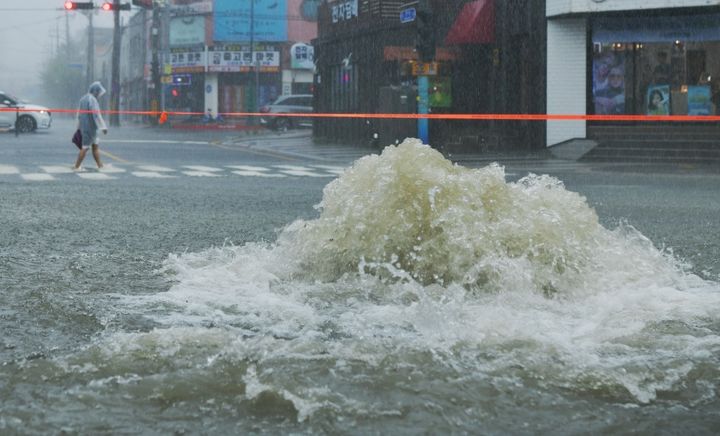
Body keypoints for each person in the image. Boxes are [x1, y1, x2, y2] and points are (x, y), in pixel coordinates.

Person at [73, 81, 108, 170]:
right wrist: (103, 127)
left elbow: (79, 114)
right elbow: (96, 115)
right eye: (99, 92)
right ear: (95, 91)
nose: (99, 94)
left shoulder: (83, 99)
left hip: (86, 127)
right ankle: (77, 166)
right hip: (91, 128)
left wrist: (78, 127)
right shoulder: (92, 100)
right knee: (85, 147)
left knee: (95, 146)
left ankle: (100, 165)